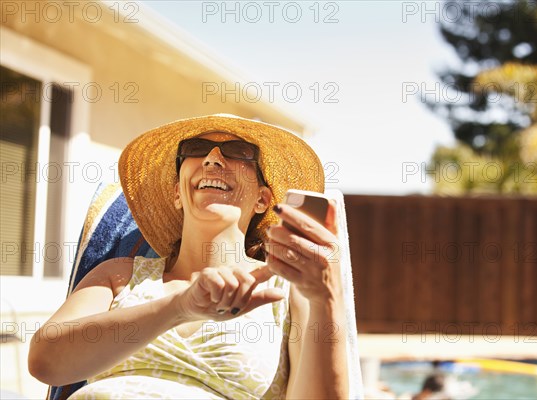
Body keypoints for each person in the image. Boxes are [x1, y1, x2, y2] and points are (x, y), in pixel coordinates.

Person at [28, 114, 349, 399]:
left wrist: (327, 299)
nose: (211, 158)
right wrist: (179, 307)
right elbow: (45, 362)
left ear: (263, 199)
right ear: (177, 193)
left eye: (239, 152)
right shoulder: (119, 275)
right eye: (194, 149)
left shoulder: (287, 291)